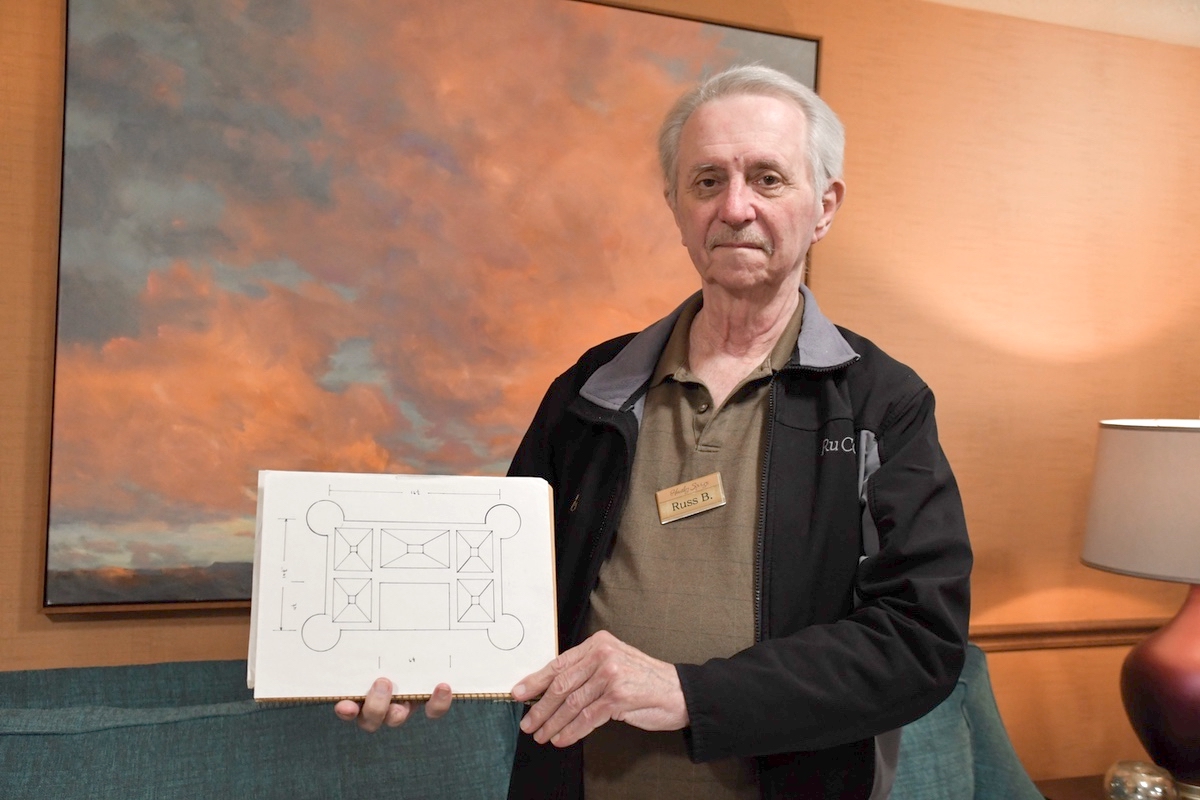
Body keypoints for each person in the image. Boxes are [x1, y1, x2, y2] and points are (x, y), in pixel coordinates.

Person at [336, 64, 972, 800]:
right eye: (707, 181)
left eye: (768, 179)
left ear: (824, 206)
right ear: (675, 205)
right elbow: (498, 587)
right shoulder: (589, 388)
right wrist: (410, 662)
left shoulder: (882, 403)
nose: (735, 208)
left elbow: (919, 643)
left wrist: (690, 694)